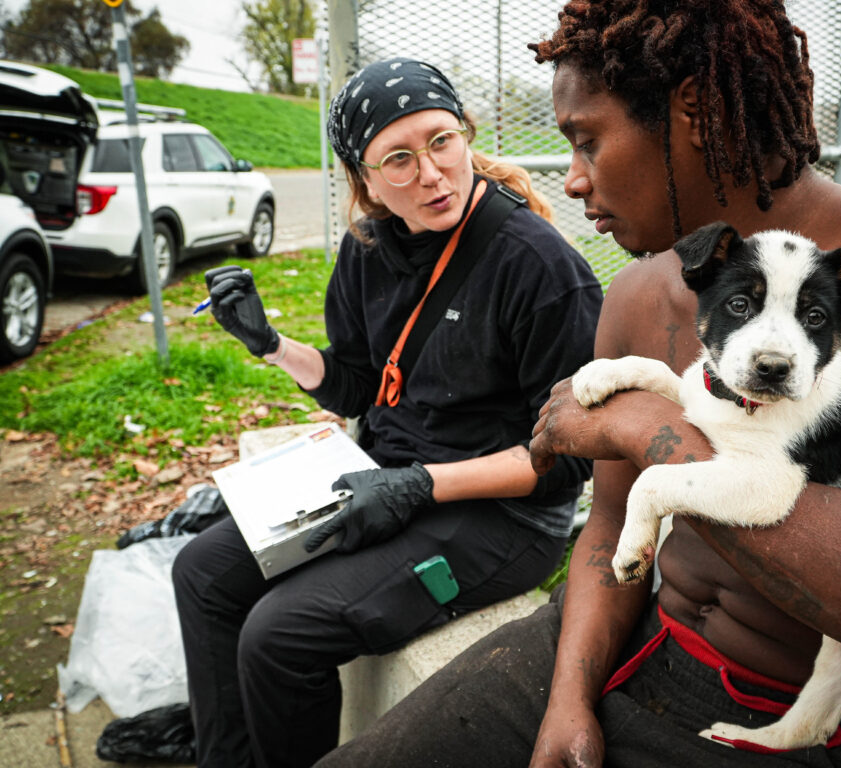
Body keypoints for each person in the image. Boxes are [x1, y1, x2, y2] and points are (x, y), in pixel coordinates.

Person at [314, 2, 841, 767]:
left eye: (587, 140)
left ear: (693, 109)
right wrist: (567, 701)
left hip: (813, 716)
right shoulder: (639, 292)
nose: (575, 180)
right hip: (635, 642)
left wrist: (637, 425)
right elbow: (609, 527)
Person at [171, 56, 603, 768]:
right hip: (383, 474)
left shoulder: (539, 266)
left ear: (466, 136)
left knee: (280, 634)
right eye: (397, 159)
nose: (431, 173)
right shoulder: (367, 247)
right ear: (364, 181)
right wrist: (270, 343)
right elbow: (356, 387)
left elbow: (567, 461)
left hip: (501, 516)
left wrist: (420, 486)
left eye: (441, 141)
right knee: (202, 575)